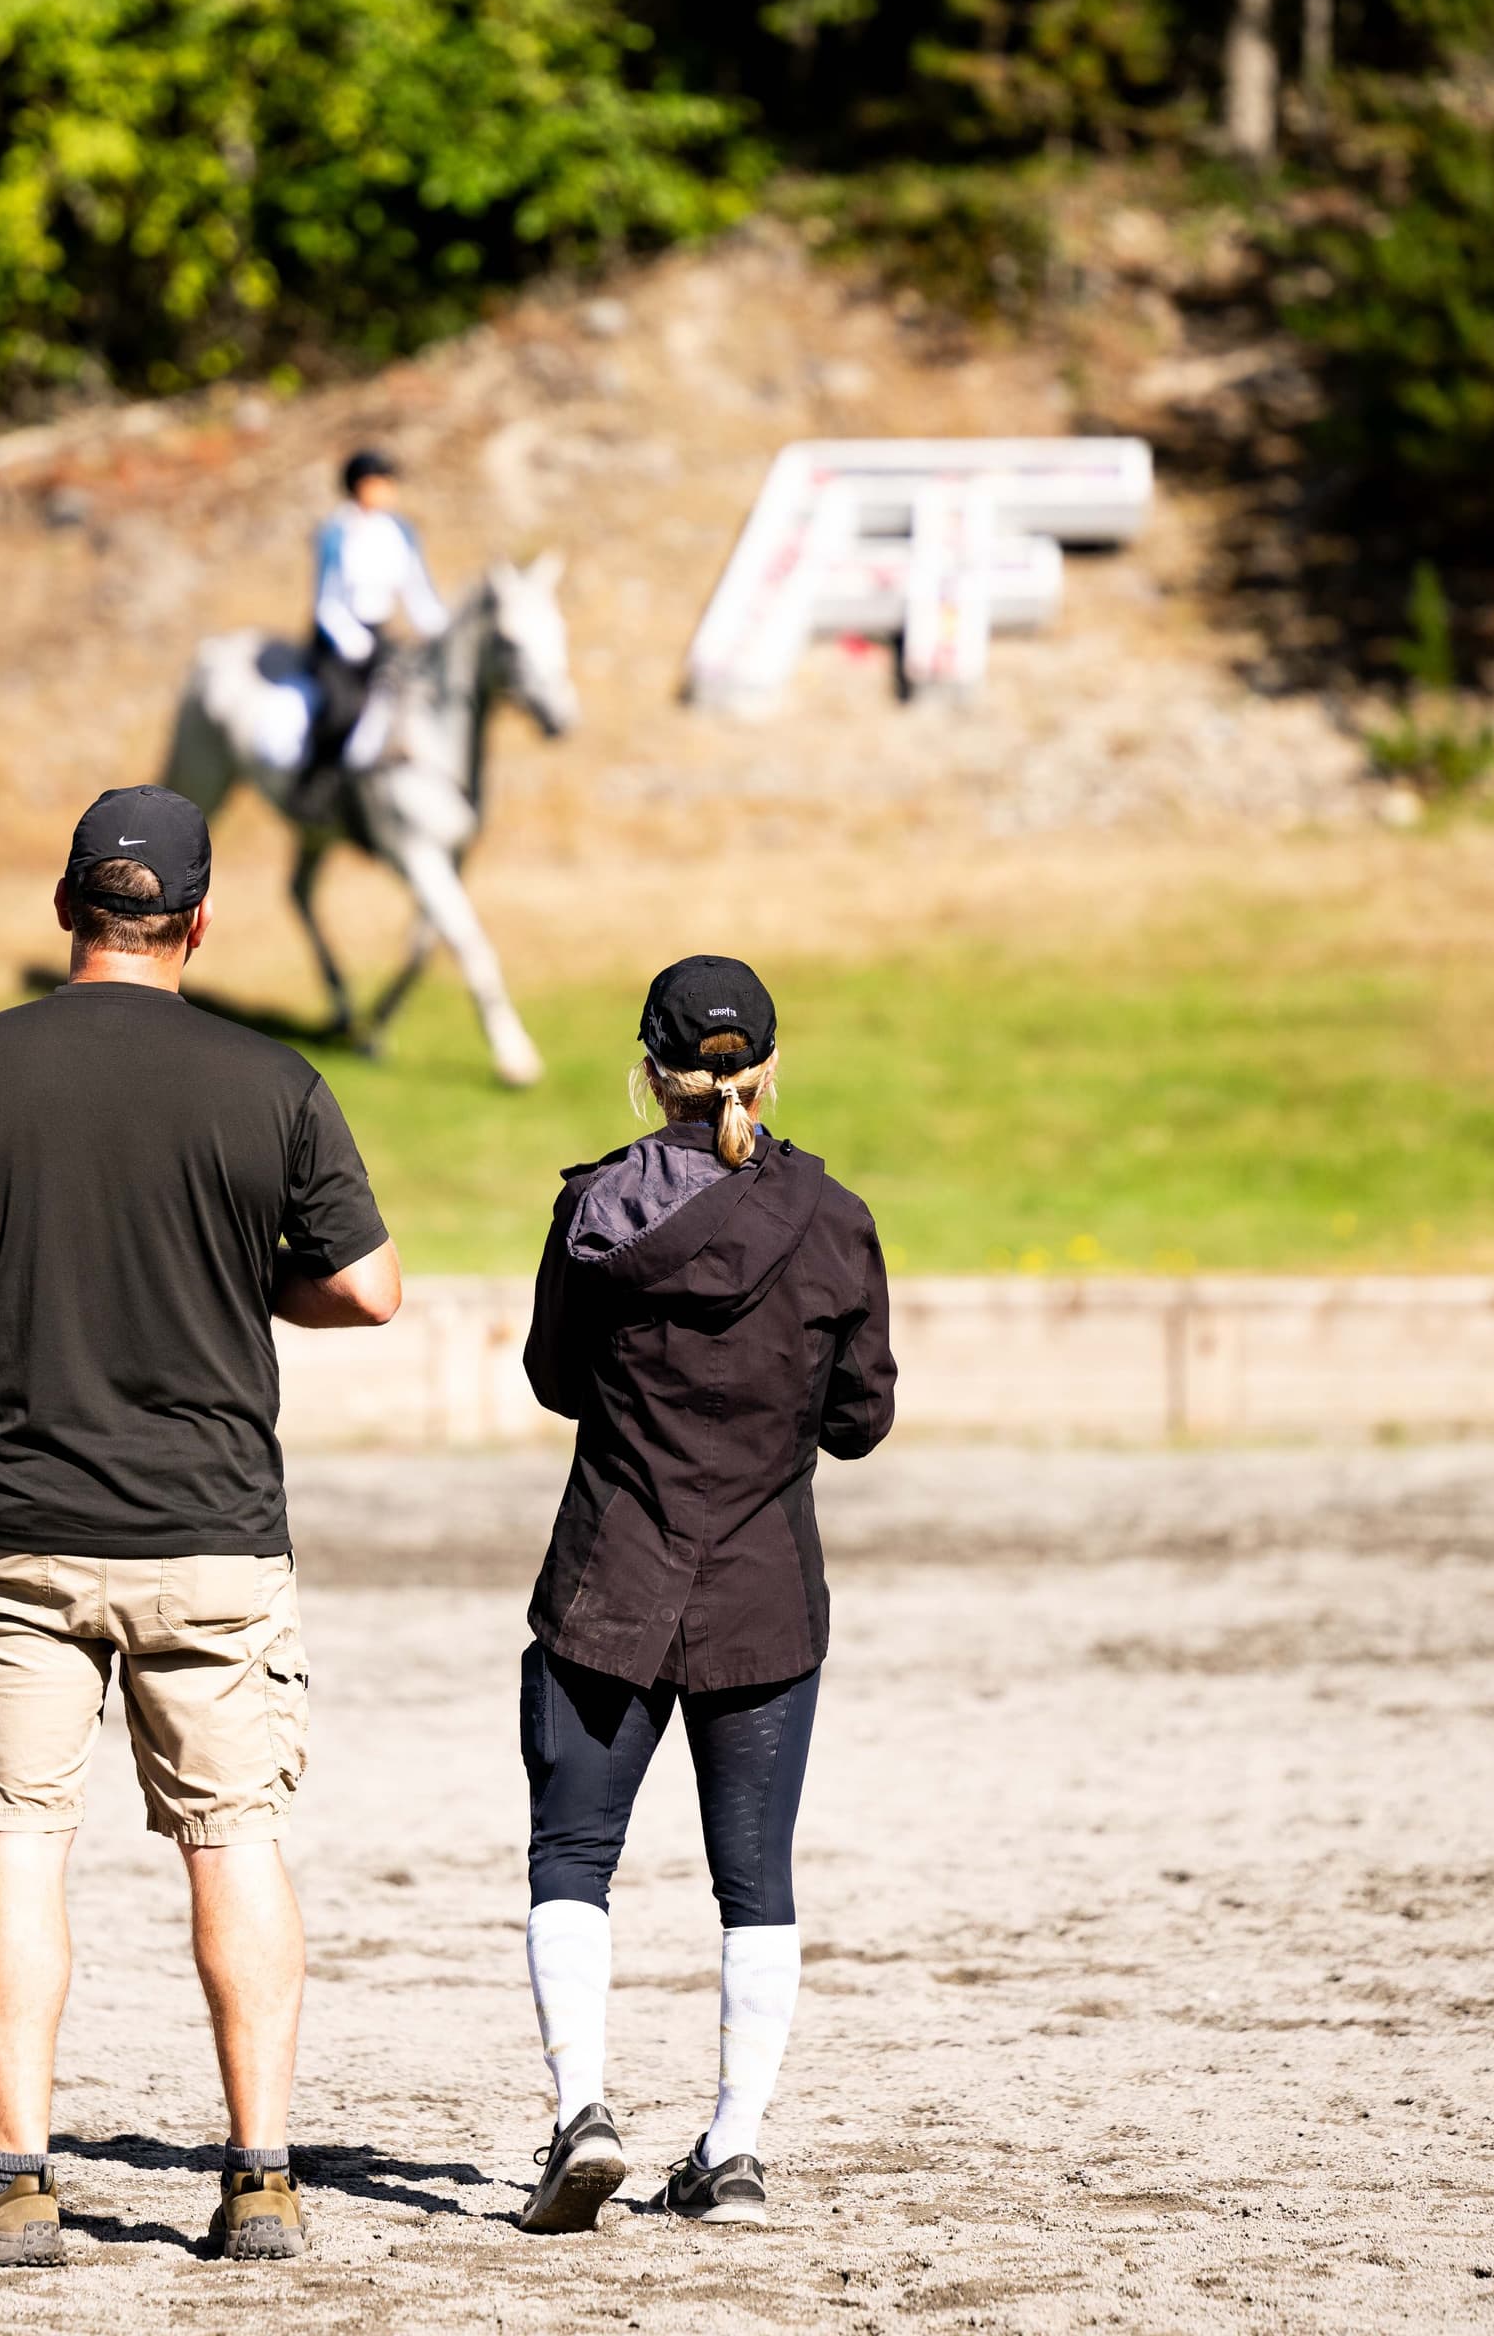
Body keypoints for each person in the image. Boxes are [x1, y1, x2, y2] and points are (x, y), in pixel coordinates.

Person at [0, 783, 405, 2268]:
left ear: (65, 913)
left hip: (14, 1532)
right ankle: (263, 2178)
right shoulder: (270, 1081)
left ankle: (18, 2179)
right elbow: (370, 1287)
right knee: (235, 1841)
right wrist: (241, 1281)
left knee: (18, 1844)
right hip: (215, 1536)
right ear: (202, 923)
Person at [509, 956, 897, 2234]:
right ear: (768, 1067)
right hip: (762, 1594)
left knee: (573, 1855)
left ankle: (583, 2113)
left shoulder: (593, 1210)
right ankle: (733, 2151)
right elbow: (858, 1423)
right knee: (755, 1879)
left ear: (650, 1068)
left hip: (608, 1579)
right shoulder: (834, 1220)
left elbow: (558, 1381)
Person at [301, 447, 445, 818]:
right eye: (380, 482)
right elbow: (326, 599)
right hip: (339, 640)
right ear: (360, 486)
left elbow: (418, 589)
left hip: (381, 636)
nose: (388, 490)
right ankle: (319, 789)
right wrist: (352, 640)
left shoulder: (399, 531)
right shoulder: (336, 531)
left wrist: (438, 629)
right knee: (341, 708)